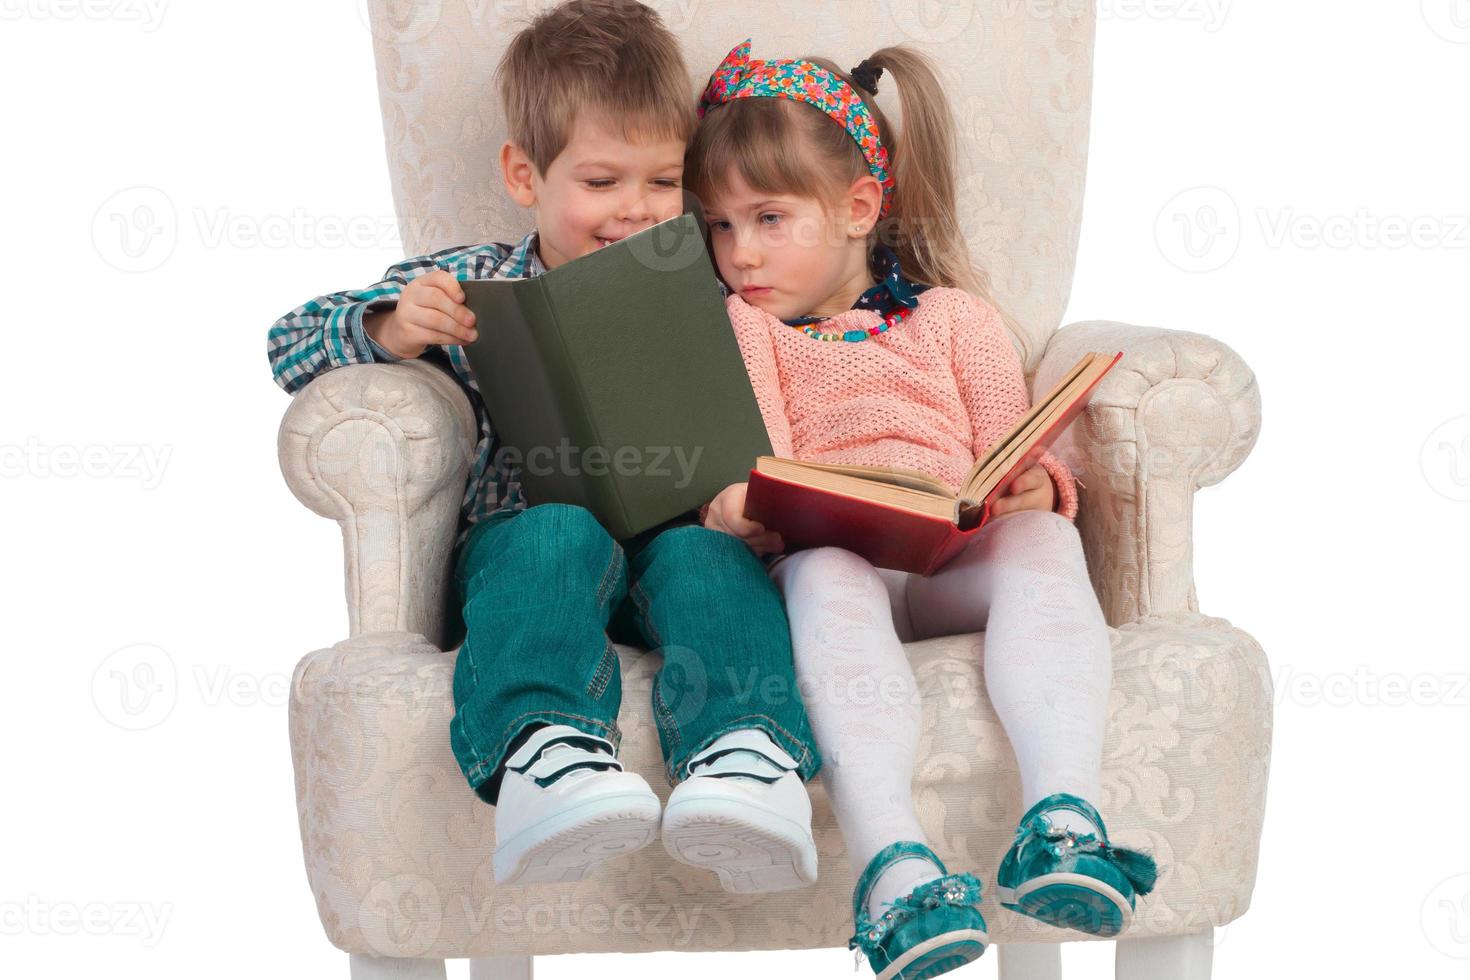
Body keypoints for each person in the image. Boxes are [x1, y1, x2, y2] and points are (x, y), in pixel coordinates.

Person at [265, 3, 822, 894]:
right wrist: (392, 325)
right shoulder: (473, 280)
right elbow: (287, 342)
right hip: (529, 556)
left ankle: (747, 759)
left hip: (672, 550)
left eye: (659, 182)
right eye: (600, 182)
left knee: (705, 557)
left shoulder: (719, 281)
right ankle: (543, 757)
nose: (635, 210)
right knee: (556, 532)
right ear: (525, 174)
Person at [686, 39, 1159, 978]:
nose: (740, 253)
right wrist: (740, 507)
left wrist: (1037, 486)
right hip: (836, 563)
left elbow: (1007, 449)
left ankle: (1062, 820)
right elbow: (759, 455)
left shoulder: (955, 320)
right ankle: (894, 869)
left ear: (859, 207)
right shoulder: (746, 326)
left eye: (770, 218)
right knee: (825, 572)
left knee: (1040, 545)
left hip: (948, 562)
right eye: (721, 225)